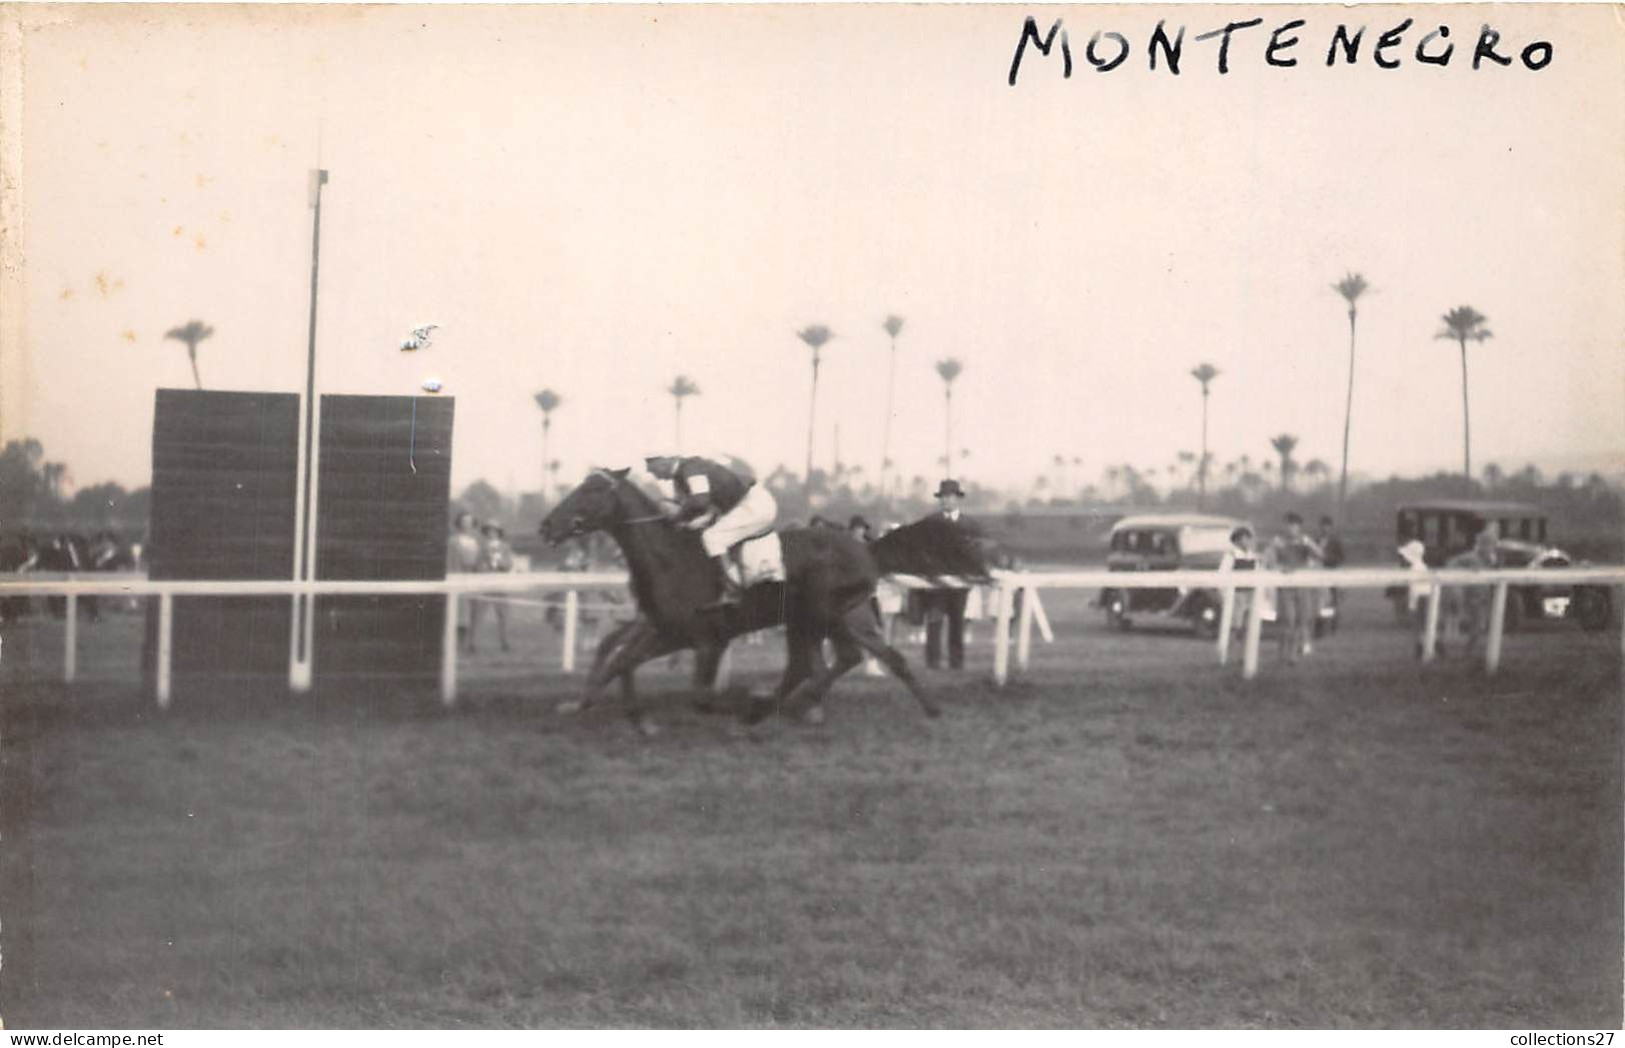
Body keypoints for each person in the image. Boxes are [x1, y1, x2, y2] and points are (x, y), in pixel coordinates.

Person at [644, 453, 778, 608]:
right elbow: (704, 508)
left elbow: (700, 502)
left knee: (712, 537)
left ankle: (733, 588)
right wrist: (683, 520)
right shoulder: (681, 476)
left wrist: (679, 515)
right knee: (701, 533)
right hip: (739, 505)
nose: (655, 476)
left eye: (653, 470)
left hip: (754, 505)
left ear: (663, 460)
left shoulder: (690, 468)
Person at [921, 478, 981, 671]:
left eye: (949, 497)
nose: (946, 501)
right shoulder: (930, 523)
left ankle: (957, 664)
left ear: (957, 499)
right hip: (937, 585)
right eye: (943, 497)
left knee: (957, 625)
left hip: (959, 584)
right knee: (934, 624)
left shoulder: (968, 524)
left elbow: (975, 551)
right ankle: (933, 664)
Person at [1264, 512, 1323, 662]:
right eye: (1288, 525)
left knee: (1301, 620)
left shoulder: (1305, 541)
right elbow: (1267, 561)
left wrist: (1309, 545)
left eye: (1294, 525)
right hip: (1286, 587)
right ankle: (1282, 652)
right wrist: (1279, 567)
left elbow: (1321, 556)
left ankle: (1293, 654)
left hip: (1302, 586)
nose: (1291, 528)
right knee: (1288, 620)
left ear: (1299, 527)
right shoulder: (1278, 541)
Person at [475, 521, 515, 653]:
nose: (492, 533)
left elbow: (509, 565)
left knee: (503, 615)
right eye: (489, 531)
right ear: (486, 533)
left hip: (500, 585)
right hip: (485, 585)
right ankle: (473, 643)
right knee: (479, 614)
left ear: (499, 533)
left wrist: (499, 561)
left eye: (495, 531)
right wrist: (484, 568)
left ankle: (505, 642)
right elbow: (477, 565)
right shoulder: (482, 547)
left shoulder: (505, 547)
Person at [447, 511, 483, 652]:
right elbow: (452, 562)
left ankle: (472, 643)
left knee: (475, 613)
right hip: (459, 580)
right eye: (464, 521)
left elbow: (480, 560)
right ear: (459, 523)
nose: (467, 524)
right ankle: (457, 645)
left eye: (469, 521)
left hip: (474, 581)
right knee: (460, 614)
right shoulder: (453, 541)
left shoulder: (477, 541)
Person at [1315, 516, 1346, 633]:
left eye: (1327, 526)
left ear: (1331, 528)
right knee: (1320, 600)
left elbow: (1341, 557)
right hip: (1319, 574)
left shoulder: (1336, 542)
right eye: (1323, 526)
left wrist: (1329, 559)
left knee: (1333, 600)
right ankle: (1320, 625)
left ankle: (1334, 625)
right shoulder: (1316, 540)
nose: (1325, 529)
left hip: (1332, 573)